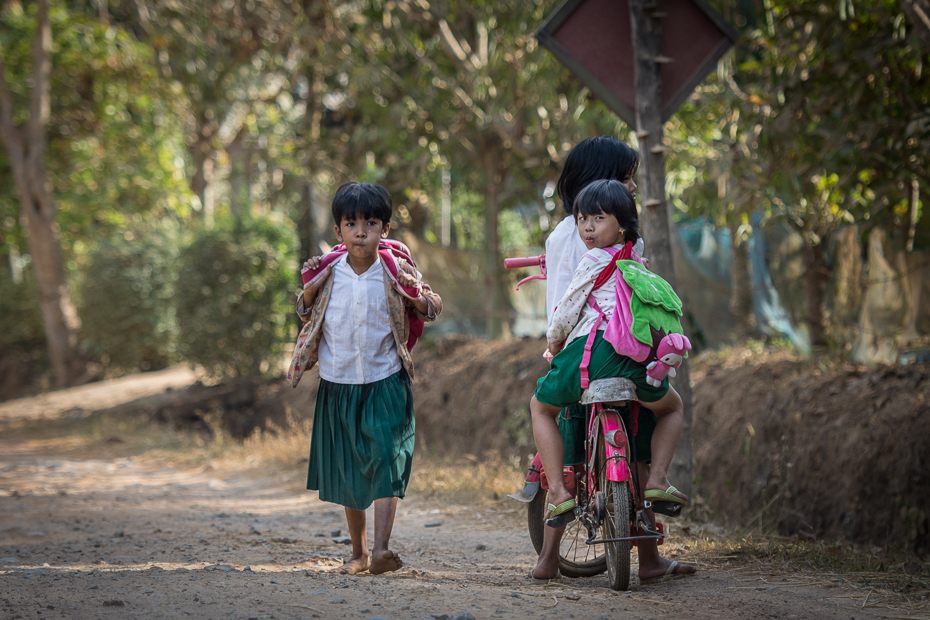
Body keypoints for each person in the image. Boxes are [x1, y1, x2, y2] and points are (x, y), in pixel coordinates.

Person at [531, 137, 695, 583]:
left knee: (565, 443)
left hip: (580, 354)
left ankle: (547, 560)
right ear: (599, 181)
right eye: (626, 177)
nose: (634, 185)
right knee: (639, 444)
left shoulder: (567, 235)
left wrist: (554, 347)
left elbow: (561, 306)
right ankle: (649, 559)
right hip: (632, 356)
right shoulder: (625, 240)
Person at [294, 181, 442, 575]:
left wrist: (415, 297)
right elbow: (304, 310)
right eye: (351, 223)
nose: (361, 231)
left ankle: (380, 550)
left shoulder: (397, 271)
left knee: (388, 462)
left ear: (385, 230)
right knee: (350, 469)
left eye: (371, 223)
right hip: (338, 383)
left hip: (386, 379)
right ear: (338, 231)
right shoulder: (326, 273)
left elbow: (432, 305)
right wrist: (307, 292)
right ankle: (357, 553)